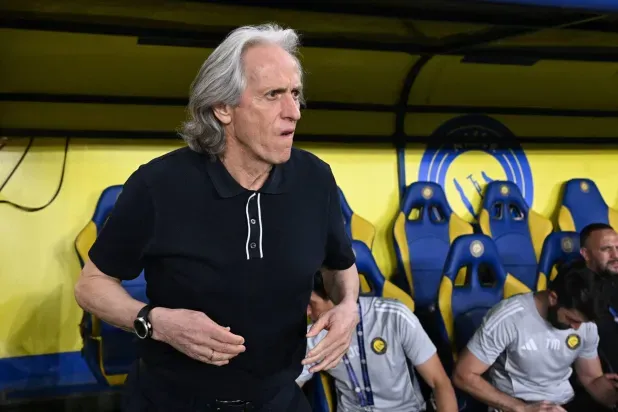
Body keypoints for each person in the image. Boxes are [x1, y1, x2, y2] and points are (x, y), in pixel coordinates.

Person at [74, 24, 361, 412]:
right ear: (222, 107)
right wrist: (155, 322)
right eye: (272, 95)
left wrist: (348, 307)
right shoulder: (158, 185)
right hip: (171, 402)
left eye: (295, 94)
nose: (293, 112)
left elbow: (340, 266)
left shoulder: (316, 179)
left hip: (280, 399)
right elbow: (91, 285)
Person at [453, 262, 618, 412]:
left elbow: (590, 377)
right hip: (516, 404)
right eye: (571, 319)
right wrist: (521, 408)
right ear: (553, 298)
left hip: (563, 402)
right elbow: (463, 375)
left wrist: (612, 394)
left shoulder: (585, 324)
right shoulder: (510, 317)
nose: (577, 328)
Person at [297, 271, 458, 412]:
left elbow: (440, 383)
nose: (306, 311)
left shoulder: (394, 316)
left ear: (334, 296)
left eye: (310, 303)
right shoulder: (312, 335)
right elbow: (292, 388)